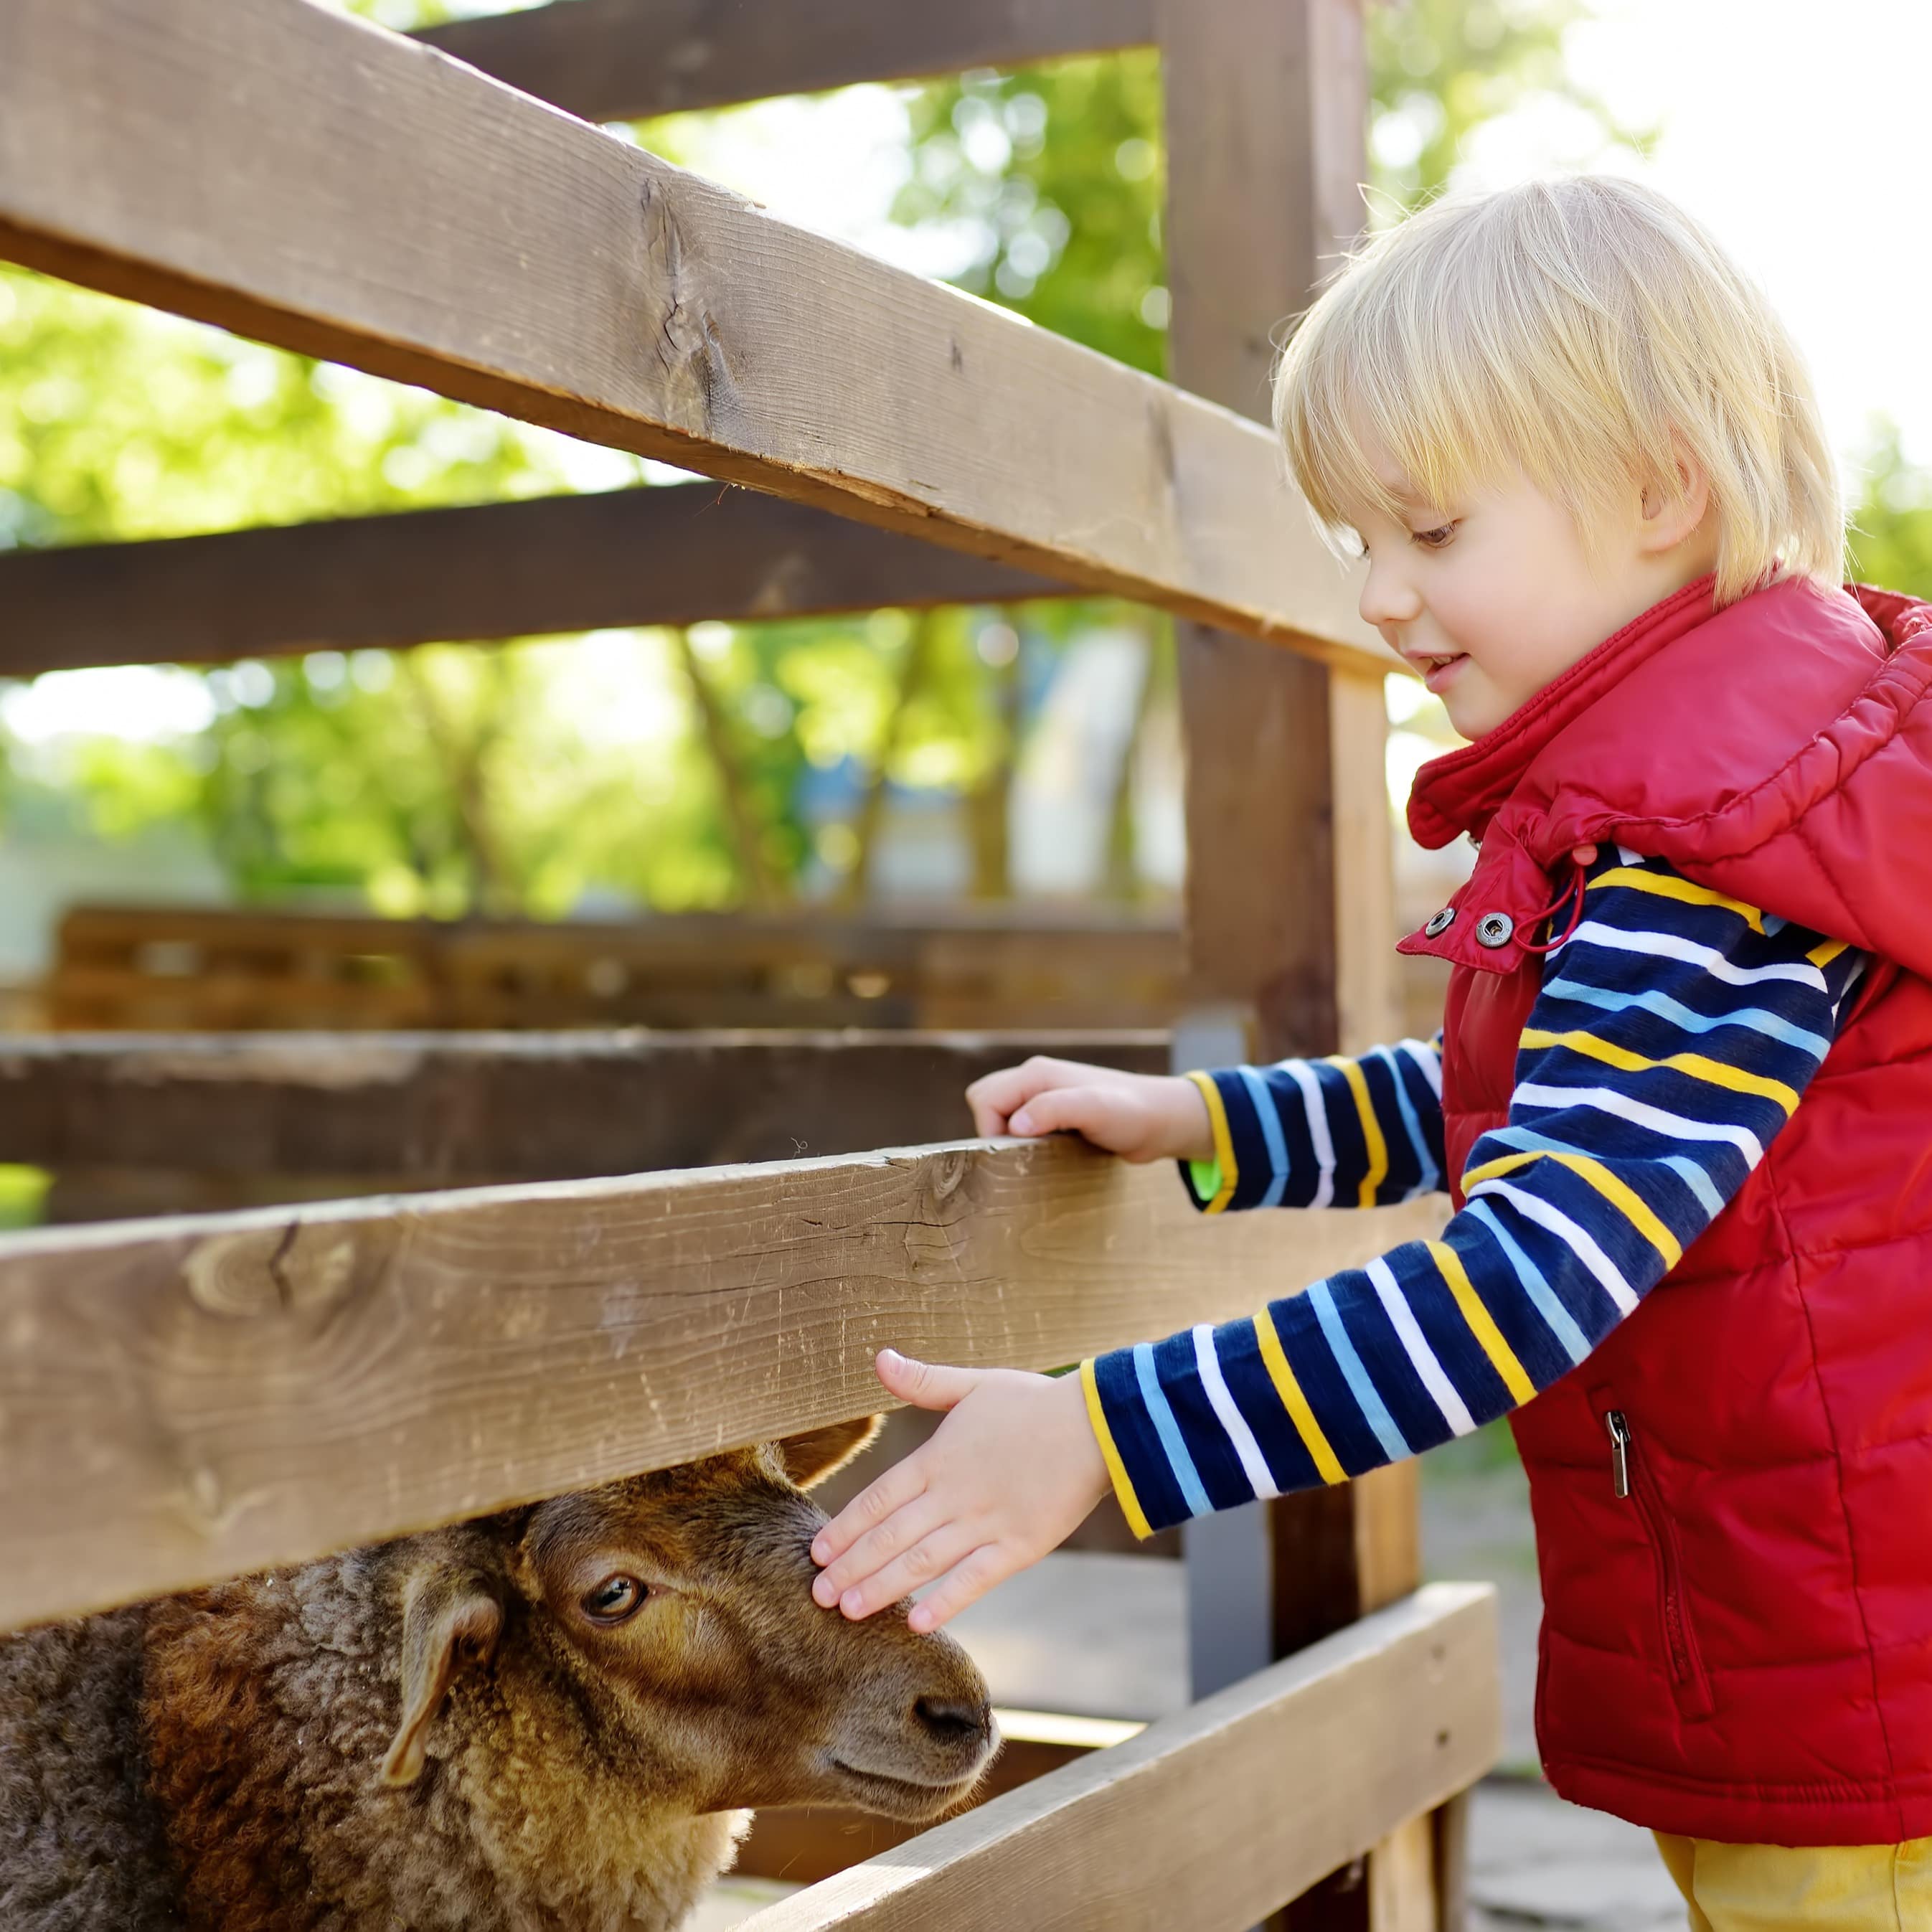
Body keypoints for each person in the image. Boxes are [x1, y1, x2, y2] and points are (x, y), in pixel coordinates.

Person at [809, 174, 1932, 1926]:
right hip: (1852, 1646)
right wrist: (1212, 1123)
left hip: (1855, 1704)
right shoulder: (1761, 793)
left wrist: (1107, 1436)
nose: (1379, 597)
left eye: (1427, 529)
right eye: (1355, 542)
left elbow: (1531, 1272)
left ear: (1658, 490)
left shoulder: (1698, 854)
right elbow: (1553, 1107)